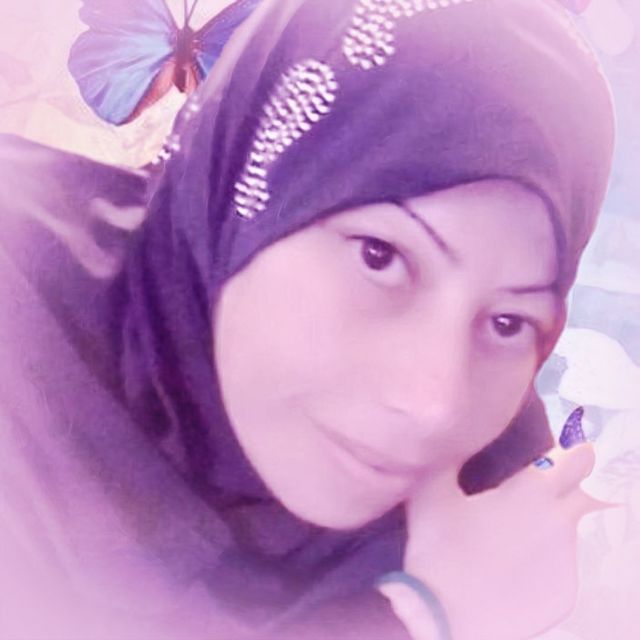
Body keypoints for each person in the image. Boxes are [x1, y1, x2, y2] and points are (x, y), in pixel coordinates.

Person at [0, 0, 615, 638]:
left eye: (509, 322)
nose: (433, 404)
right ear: (241, 187)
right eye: (380, 257)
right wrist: (422, 616)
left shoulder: (492, 493)